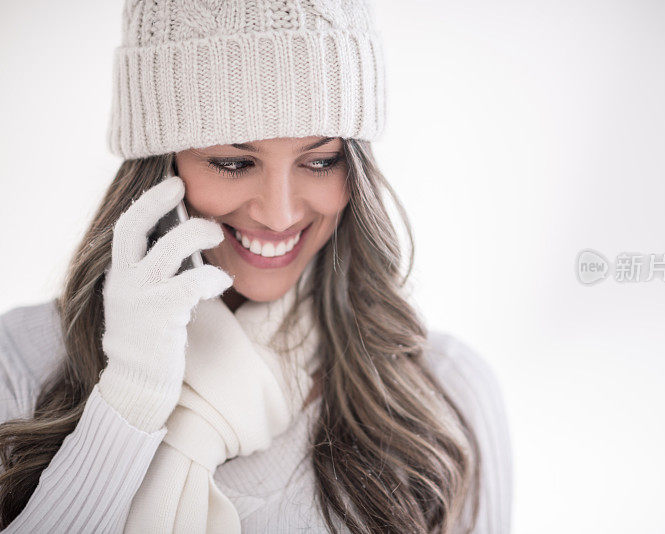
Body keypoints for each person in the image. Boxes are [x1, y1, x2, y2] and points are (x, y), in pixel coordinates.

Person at [0, 0, 513, 532]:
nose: (280, 213)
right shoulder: (20, 363)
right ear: (158, 165)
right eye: (234, 162)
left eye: (320, 161)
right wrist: (127, 401)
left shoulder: (443, 396)